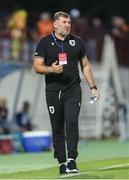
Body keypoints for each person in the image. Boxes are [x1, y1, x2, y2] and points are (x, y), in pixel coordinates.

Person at [33, 11, 99, 174]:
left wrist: (93, 87)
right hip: (53, 91)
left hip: (73, 89)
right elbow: (37, 66)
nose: (67, 25)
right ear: (55, 24)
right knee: (57, 128)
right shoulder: (44, 42)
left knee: (72, 123)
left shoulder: (77, 42)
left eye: (69, 22)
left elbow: (85, 65)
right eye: (64, 22)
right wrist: (52, 69)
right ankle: (61, 162)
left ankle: (72, 160)